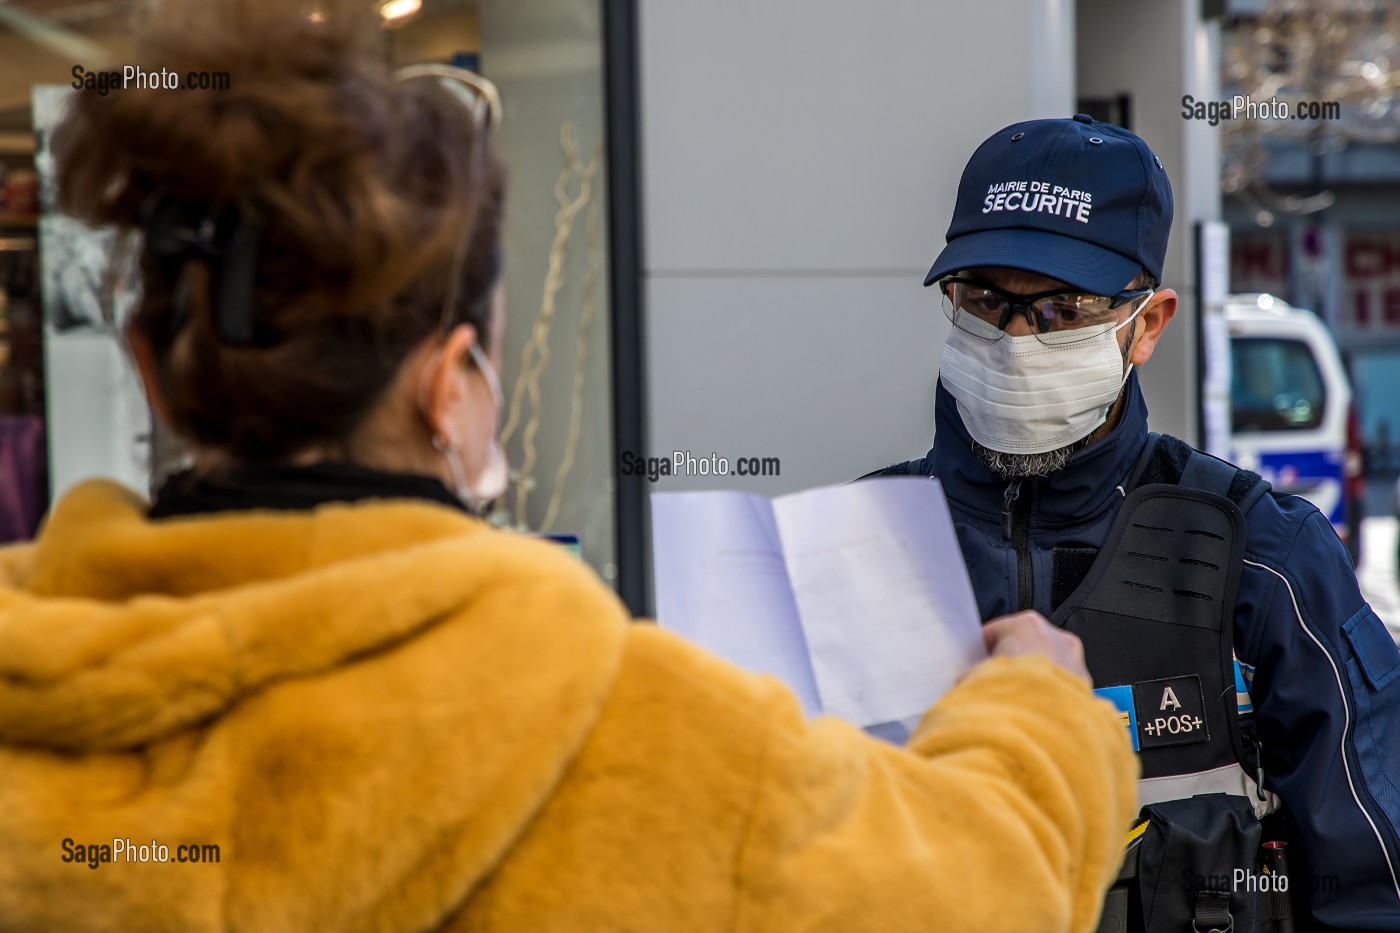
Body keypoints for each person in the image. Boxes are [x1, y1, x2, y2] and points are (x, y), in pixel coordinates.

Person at [0, 3, 1137, 930]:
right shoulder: (618, 727)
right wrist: (1036, 708)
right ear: (450, 388)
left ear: (147, 367)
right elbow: (981, 889)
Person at [864, 114, 1400, 930]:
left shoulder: (1262, 558)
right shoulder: (858, 546)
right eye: (986, 299)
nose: (1015, 339)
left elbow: (1372, 886)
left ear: (1146, 324)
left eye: (1062, 307)